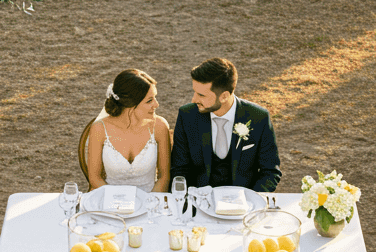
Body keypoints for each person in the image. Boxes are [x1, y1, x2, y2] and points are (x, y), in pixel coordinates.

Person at [170, 57, 281, 193]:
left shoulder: (258, 118)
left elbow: (270, 171)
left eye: (201, 95)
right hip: (199, 203)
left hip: (244, 204)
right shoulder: (187, 116)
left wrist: (251, 200)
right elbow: (179, 169)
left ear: (223, 96)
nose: (194, 99)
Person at [86, 69, 171, 193]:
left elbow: (164, 178)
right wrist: (119, 201)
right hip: (110, 200)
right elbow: (94, 178)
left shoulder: (159, 126)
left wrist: (149, 202)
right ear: (129, 103)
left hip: (150, 201)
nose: (156, 104)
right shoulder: (99, 129)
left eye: (155, 97)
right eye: (149, 101)